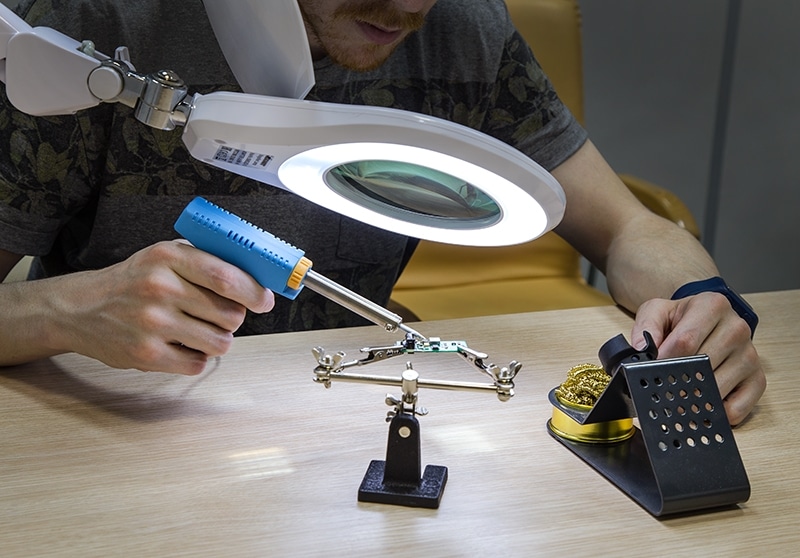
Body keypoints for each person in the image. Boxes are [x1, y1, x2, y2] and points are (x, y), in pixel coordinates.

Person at [0, 0, 765, 425]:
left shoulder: (460, 31)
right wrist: (69, 311)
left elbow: (631, 229)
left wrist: (702, 306)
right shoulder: (92, 32)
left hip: (339, 419)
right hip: (115, 422)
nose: (408, 7)